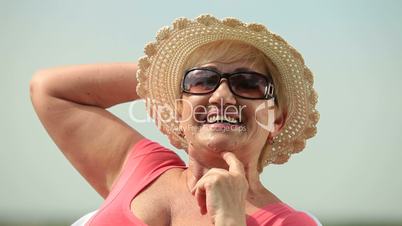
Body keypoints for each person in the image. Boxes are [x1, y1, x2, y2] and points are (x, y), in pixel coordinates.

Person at [30, 15, 320, 226]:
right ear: (180, 112)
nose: (221, 96)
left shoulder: (290, 223)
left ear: (276, 121)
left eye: (247, 83)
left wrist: (231, 220)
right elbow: (50, 90)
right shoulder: (142, 166)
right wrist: (157, 77)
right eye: (204, 81)